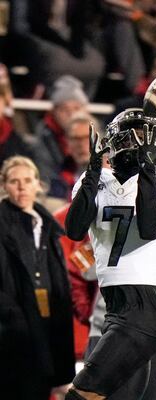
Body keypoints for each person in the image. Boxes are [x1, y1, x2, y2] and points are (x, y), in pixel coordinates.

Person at [63, 108, 156, 399]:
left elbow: (151, 227)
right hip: (114, 309)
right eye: (129, 136)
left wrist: (147, 169)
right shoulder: (96, 181)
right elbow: (74, 230)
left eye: (141, 137)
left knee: (80, 395)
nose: (134, 144)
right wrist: (92, 172)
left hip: (144, 311)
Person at [0, 155, 75, 399]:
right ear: (4, 186)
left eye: (27, 180)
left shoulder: (48, 226)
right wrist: (12, 316)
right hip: (13, 331)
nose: (21, 187)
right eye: (14, 181)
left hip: (47, 325)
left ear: (38, 184)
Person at [30, 75, 89, 191]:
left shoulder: (97, 132)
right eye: (64, 109)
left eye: (76, 108)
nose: (71, 114)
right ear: (54, 112)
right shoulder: (44, 136)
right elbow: (44, 174)